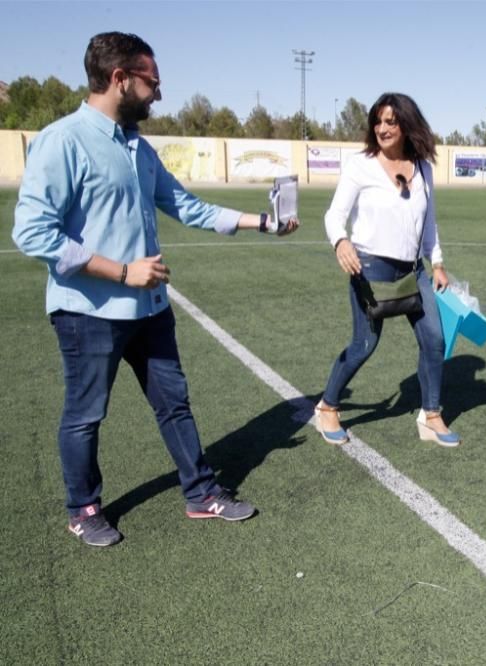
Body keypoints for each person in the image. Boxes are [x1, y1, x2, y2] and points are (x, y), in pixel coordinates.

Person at [12, 32, 299, 547]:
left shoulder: (138, 148)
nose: (159, 94)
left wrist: (263, 222)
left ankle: (201, 492)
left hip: (149, 307)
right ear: (120, 79)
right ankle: (83, 508)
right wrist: (122, 272)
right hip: (88, 311)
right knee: (85, 415)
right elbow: (32, 233)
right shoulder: (63, 140)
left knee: (175, 403)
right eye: (153, 82)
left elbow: (188, 207)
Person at [317, 92, 460, 447]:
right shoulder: (360, 165)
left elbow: (429, 223)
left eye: (391, 122)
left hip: (414, 271)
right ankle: (327, 407)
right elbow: (334, 215)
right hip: (369, 269)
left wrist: (437, 261)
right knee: (364, 344)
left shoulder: (424, 168)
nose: (382, 128)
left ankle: (431, 415)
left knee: (434, 340)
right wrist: (341, 242)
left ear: (407, 125)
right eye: (378, 121)